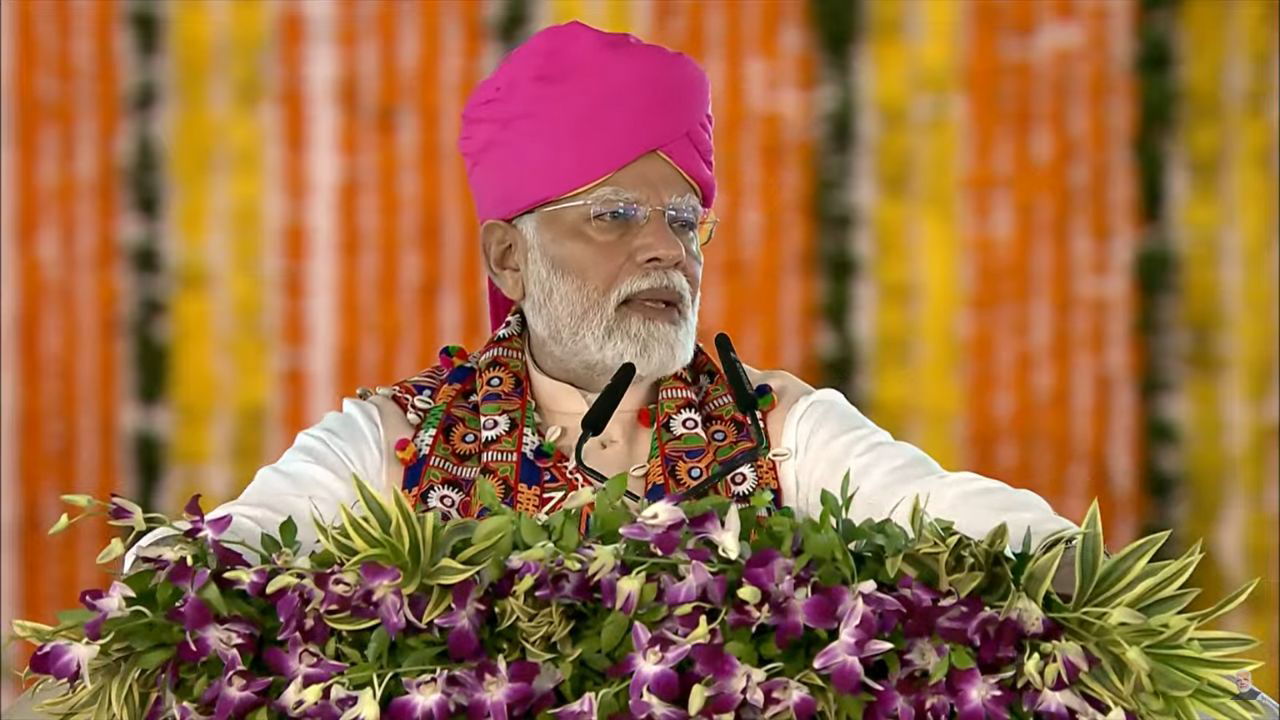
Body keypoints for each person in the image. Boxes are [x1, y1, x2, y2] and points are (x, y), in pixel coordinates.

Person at [128, 21, 1078, 568]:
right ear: (509, 259)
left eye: (683, 221)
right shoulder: (392, 442)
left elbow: (954, 513)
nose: (666, 252)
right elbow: (218, 556)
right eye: (617, 216)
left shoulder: (780, 429)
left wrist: (1061, 561)